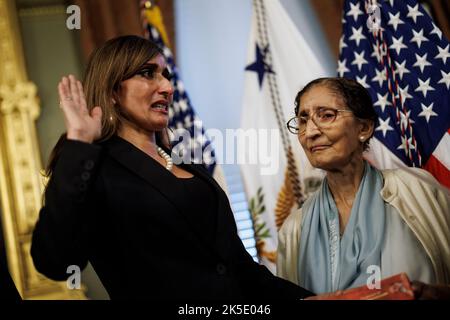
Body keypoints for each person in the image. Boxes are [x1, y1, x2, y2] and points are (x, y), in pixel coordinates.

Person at [30, 35, 313, 300]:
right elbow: (55, 260)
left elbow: (240, 269)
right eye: (147, 73)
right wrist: (79, 142)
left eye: (165, 75)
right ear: (113, 90)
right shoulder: (94, 168)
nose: (167, 87)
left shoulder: (192, 168)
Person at [278, 77, 450, 299]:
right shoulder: (293, 231)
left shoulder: (417, 190)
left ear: (364, 128)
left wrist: (434, 293)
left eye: (327, 115)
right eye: (303, 120)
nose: (310, 132)